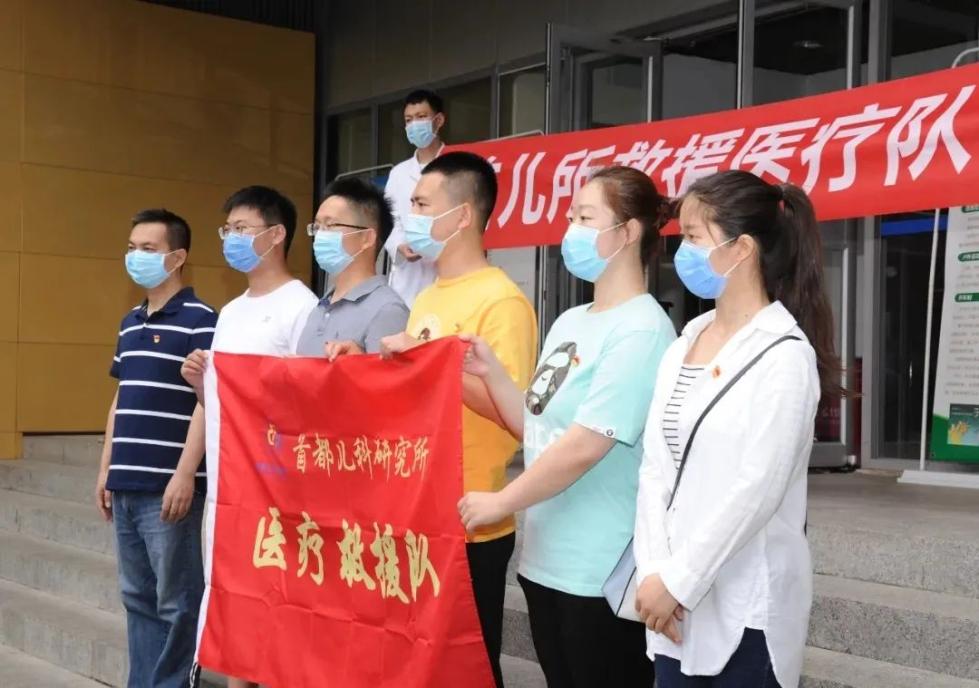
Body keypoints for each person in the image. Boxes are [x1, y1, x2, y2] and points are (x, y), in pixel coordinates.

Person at [457, 166, 675, 687]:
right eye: (570, 216)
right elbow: (537, 427)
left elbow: (584, 446)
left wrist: (502, 502)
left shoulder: (643, 329)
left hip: (600, 572)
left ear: (628, 232)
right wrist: (490, 373)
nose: (570, 229)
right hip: (545, 563)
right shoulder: (570, 320)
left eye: (585, 217)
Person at [633, 170, 841, 688]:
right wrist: (654, 572)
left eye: (693, 237)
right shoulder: (686, 341)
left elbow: (757, 490)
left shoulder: (784, 355)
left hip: (746, 607)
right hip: (670, 604)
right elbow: (656, 469)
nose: (681, 252)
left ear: (742, 248)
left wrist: (679, 582)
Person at [378, 151, 538, 687]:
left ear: (463, 215)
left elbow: (513, 415)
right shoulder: (428, 295)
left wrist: (425, 360)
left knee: (467, 667)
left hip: (471, 519)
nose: (411, 217)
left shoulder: (501, 300)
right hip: (420, 508)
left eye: (422, 205)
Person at [181, 186, 318, 688]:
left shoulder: (301, 306)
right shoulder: (232, 310)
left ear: (276, 234)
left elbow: (307, 405)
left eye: (242, 229)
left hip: (275, 491)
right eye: (227, 230)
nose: (231, 240)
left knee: (275, 613)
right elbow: (223, 405)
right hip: (228, 487)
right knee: (236, 608)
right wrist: (203, 387)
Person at [97, 209, 215, 688]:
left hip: (168, 489)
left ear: (178, 257)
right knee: (137, 599)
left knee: (177, 603)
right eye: (131, 248)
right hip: (126, 483)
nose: (135, 257)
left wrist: (185, 473)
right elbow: (120, 397)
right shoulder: (129, 322)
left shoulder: (202, 320)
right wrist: (105, 468)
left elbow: (209, 402)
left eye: (148, 249)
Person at [295, 177, 409, 357]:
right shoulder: (320, 307)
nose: (320, 235)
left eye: (330, 225)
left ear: (366, 238)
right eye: (317, 227)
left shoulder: (388, 309)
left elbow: (385, 374)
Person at [383, 89, 446, 307]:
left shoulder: (456, 166)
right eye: (409, 120)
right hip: (407, 279)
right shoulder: (398, 173)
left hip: (445, 270)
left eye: (421, 117)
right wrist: (399, 245)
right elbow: (390, 219)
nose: (414, 125)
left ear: (438, 120)